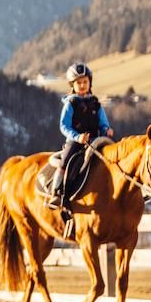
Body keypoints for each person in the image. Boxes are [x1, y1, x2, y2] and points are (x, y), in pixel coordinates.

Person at [49, 63, 114, 238]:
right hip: (76, 141)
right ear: (73, 85)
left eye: (85, 81)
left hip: (96, 140)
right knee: (67, 161)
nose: (82, 85)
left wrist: (107, 129)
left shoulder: (96, 103)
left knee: (114, 157)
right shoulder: (70, 103)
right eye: (78, 82)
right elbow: (63, 125)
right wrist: (77, 137)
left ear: (89, 82)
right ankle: (57, 192)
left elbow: (103, 122)